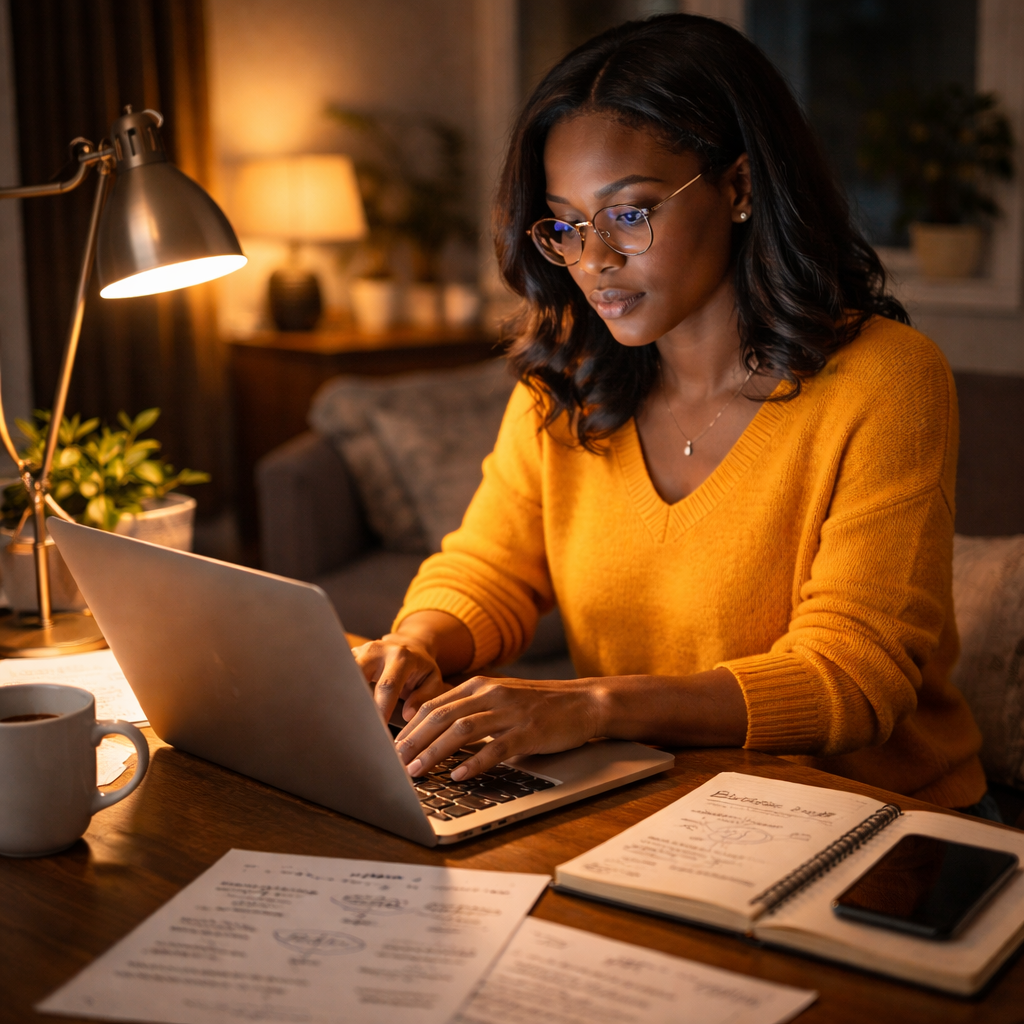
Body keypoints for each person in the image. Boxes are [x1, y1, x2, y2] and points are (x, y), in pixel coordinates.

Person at [353, 13, 992, 816]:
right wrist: (416, 644)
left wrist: (592, 706)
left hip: (876, 817)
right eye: (567, 223)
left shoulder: (887, 380)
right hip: (658, 802)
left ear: (739, 188)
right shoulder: (568, 379)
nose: (594, 259)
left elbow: (854, 678)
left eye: (629, 213)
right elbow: (488, 567)